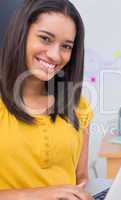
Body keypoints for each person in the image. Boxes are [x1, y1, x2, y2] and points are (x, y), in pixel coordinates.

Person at [0, 0, 94, 199]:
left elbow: (81, 178)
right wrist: (39, 194)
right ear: (21, 34)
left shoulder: (79, 107)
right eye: (45, 38)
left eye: (66, 46)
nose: (55, 55)